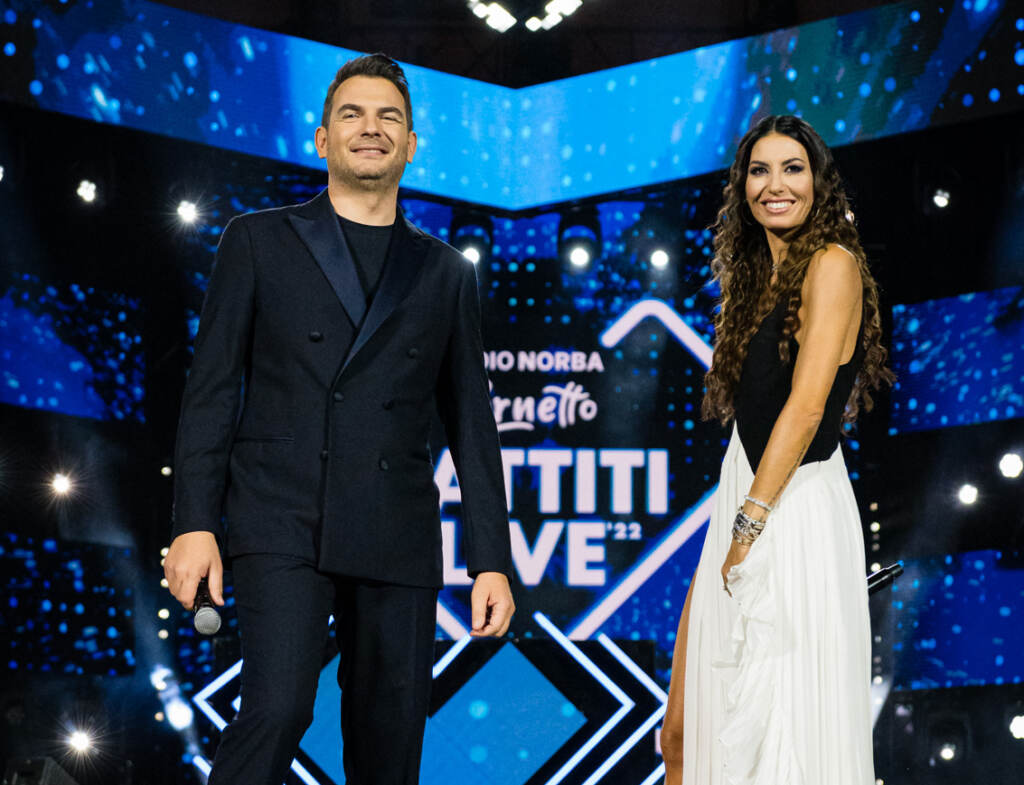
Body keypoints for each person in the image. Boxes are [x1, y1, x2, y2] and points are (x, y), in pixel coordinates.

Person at [162, 53, 515, 785]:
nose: (371, 128)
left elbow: (472, 424)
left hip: (396, 530)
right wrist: (193, 523)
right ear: (323, 139)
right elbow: (211, 391)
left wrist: (491, 559)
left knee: (390, 745)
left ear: (411, 144)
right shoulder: (257, 241)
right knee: (278, 707)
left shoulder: (446, 272)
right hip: (281, 515)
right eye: (352, 114)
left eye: (389, 117)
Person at [661, 115, 893, 785]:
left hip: (789, 511)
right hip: (744, 494)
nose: (775, 185)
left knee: (778, 734)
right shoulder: (756, 279)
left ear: (818, 182)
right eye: (759, 171)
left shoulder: (832, 264)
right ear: (742, 187)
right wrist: (733, 521)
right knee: (685, 731)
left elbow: (808, 405)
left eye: (793, 168)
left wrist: (750, 522)